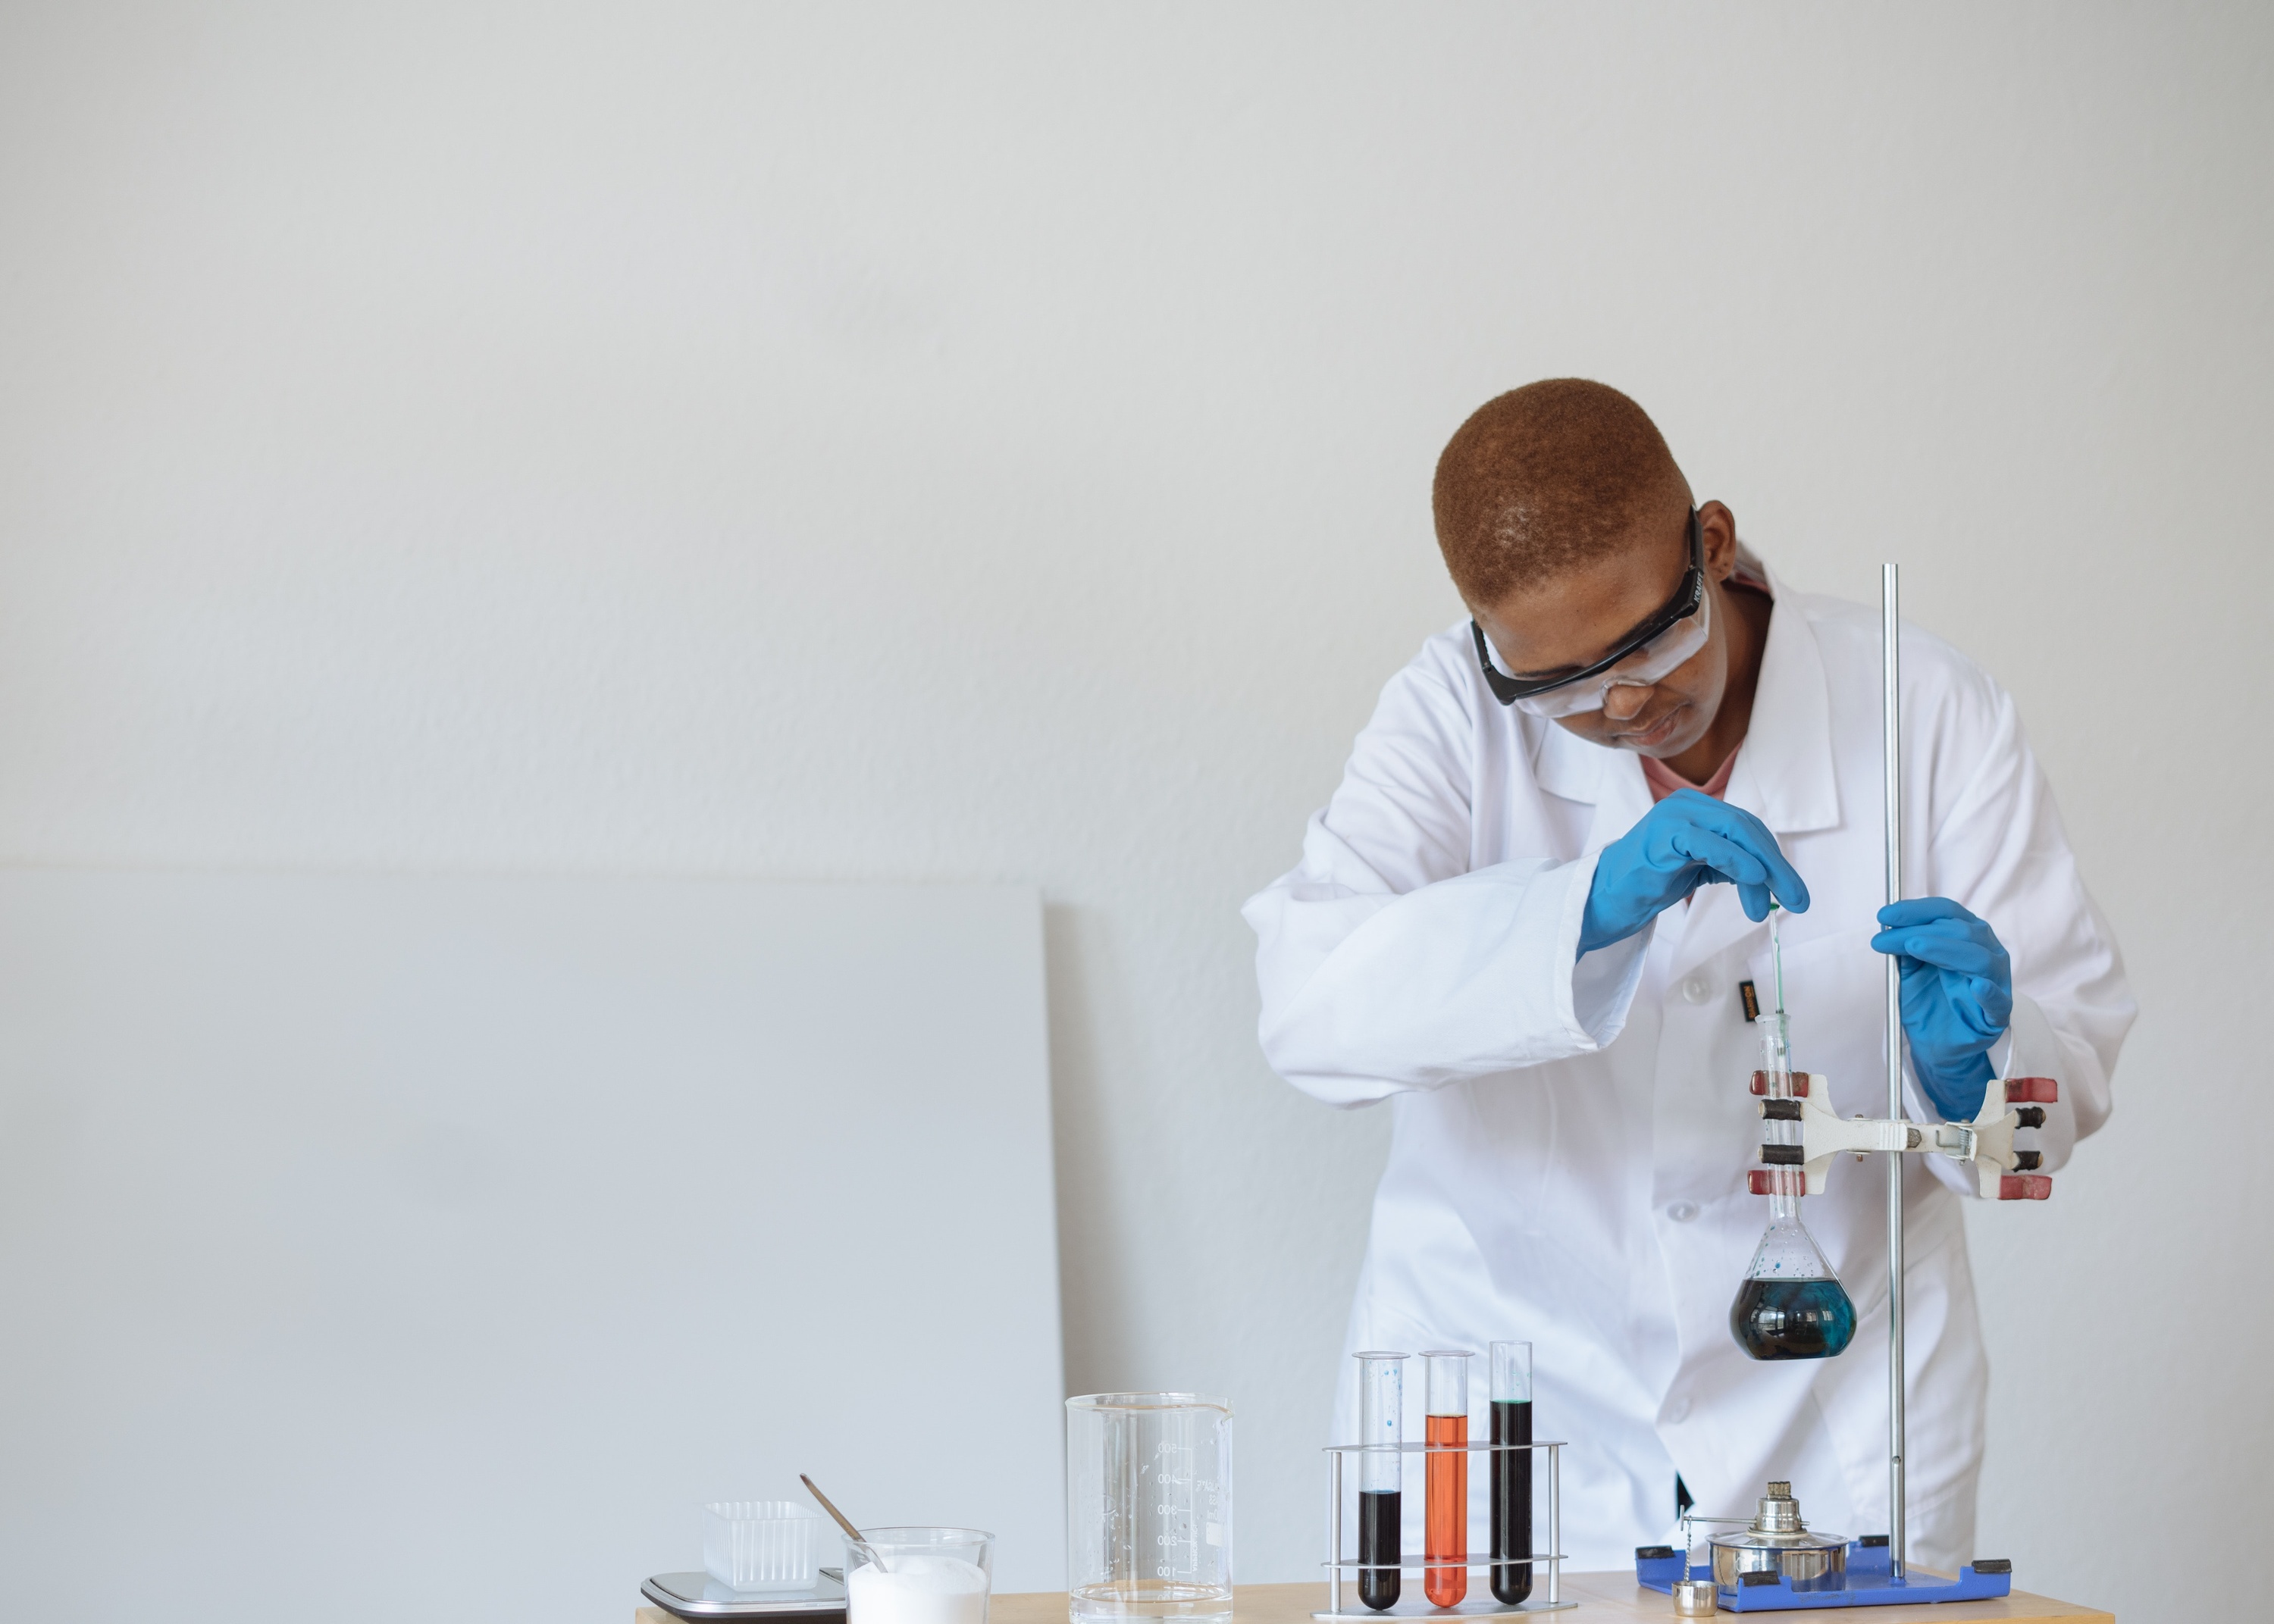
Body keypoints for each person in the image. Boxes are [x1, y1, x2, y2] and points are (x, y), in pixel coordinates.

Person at [1242, 379, 2131, 1572]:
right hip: (1508, 1405)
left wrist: (1976, 1065)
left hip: (1833, 1416)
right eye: (1562, 687)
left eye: (1648, 641)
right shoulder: (1456, 714)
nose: (1623, 706)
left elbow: (2051, 1107)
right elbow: (1309, 1010)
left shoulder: (1926, 712)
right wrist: (1581, 914)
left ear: (1709, 546)